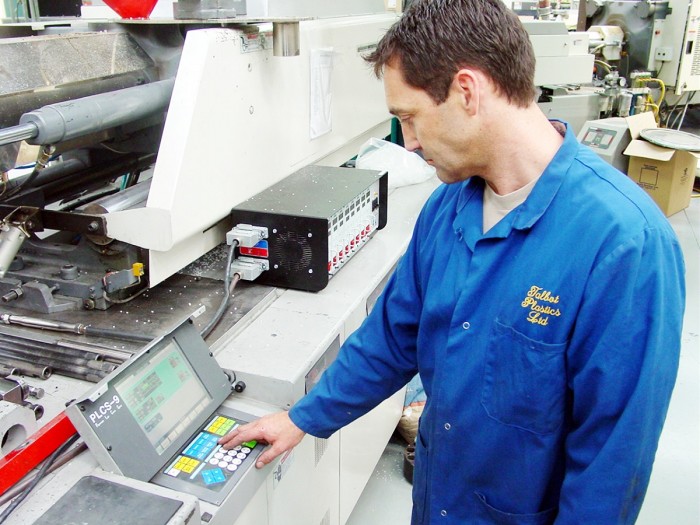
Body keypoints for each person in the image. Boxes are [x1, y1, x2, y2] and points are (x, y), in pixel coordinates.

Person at [219, 0, 686, 522]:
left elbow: (611, 461)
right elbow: (392, 338)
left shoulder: (623, 243)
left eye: (409, 119)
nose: (411, 143)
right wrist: (303, 418)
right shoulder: (449, 206)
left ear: (467, 91)